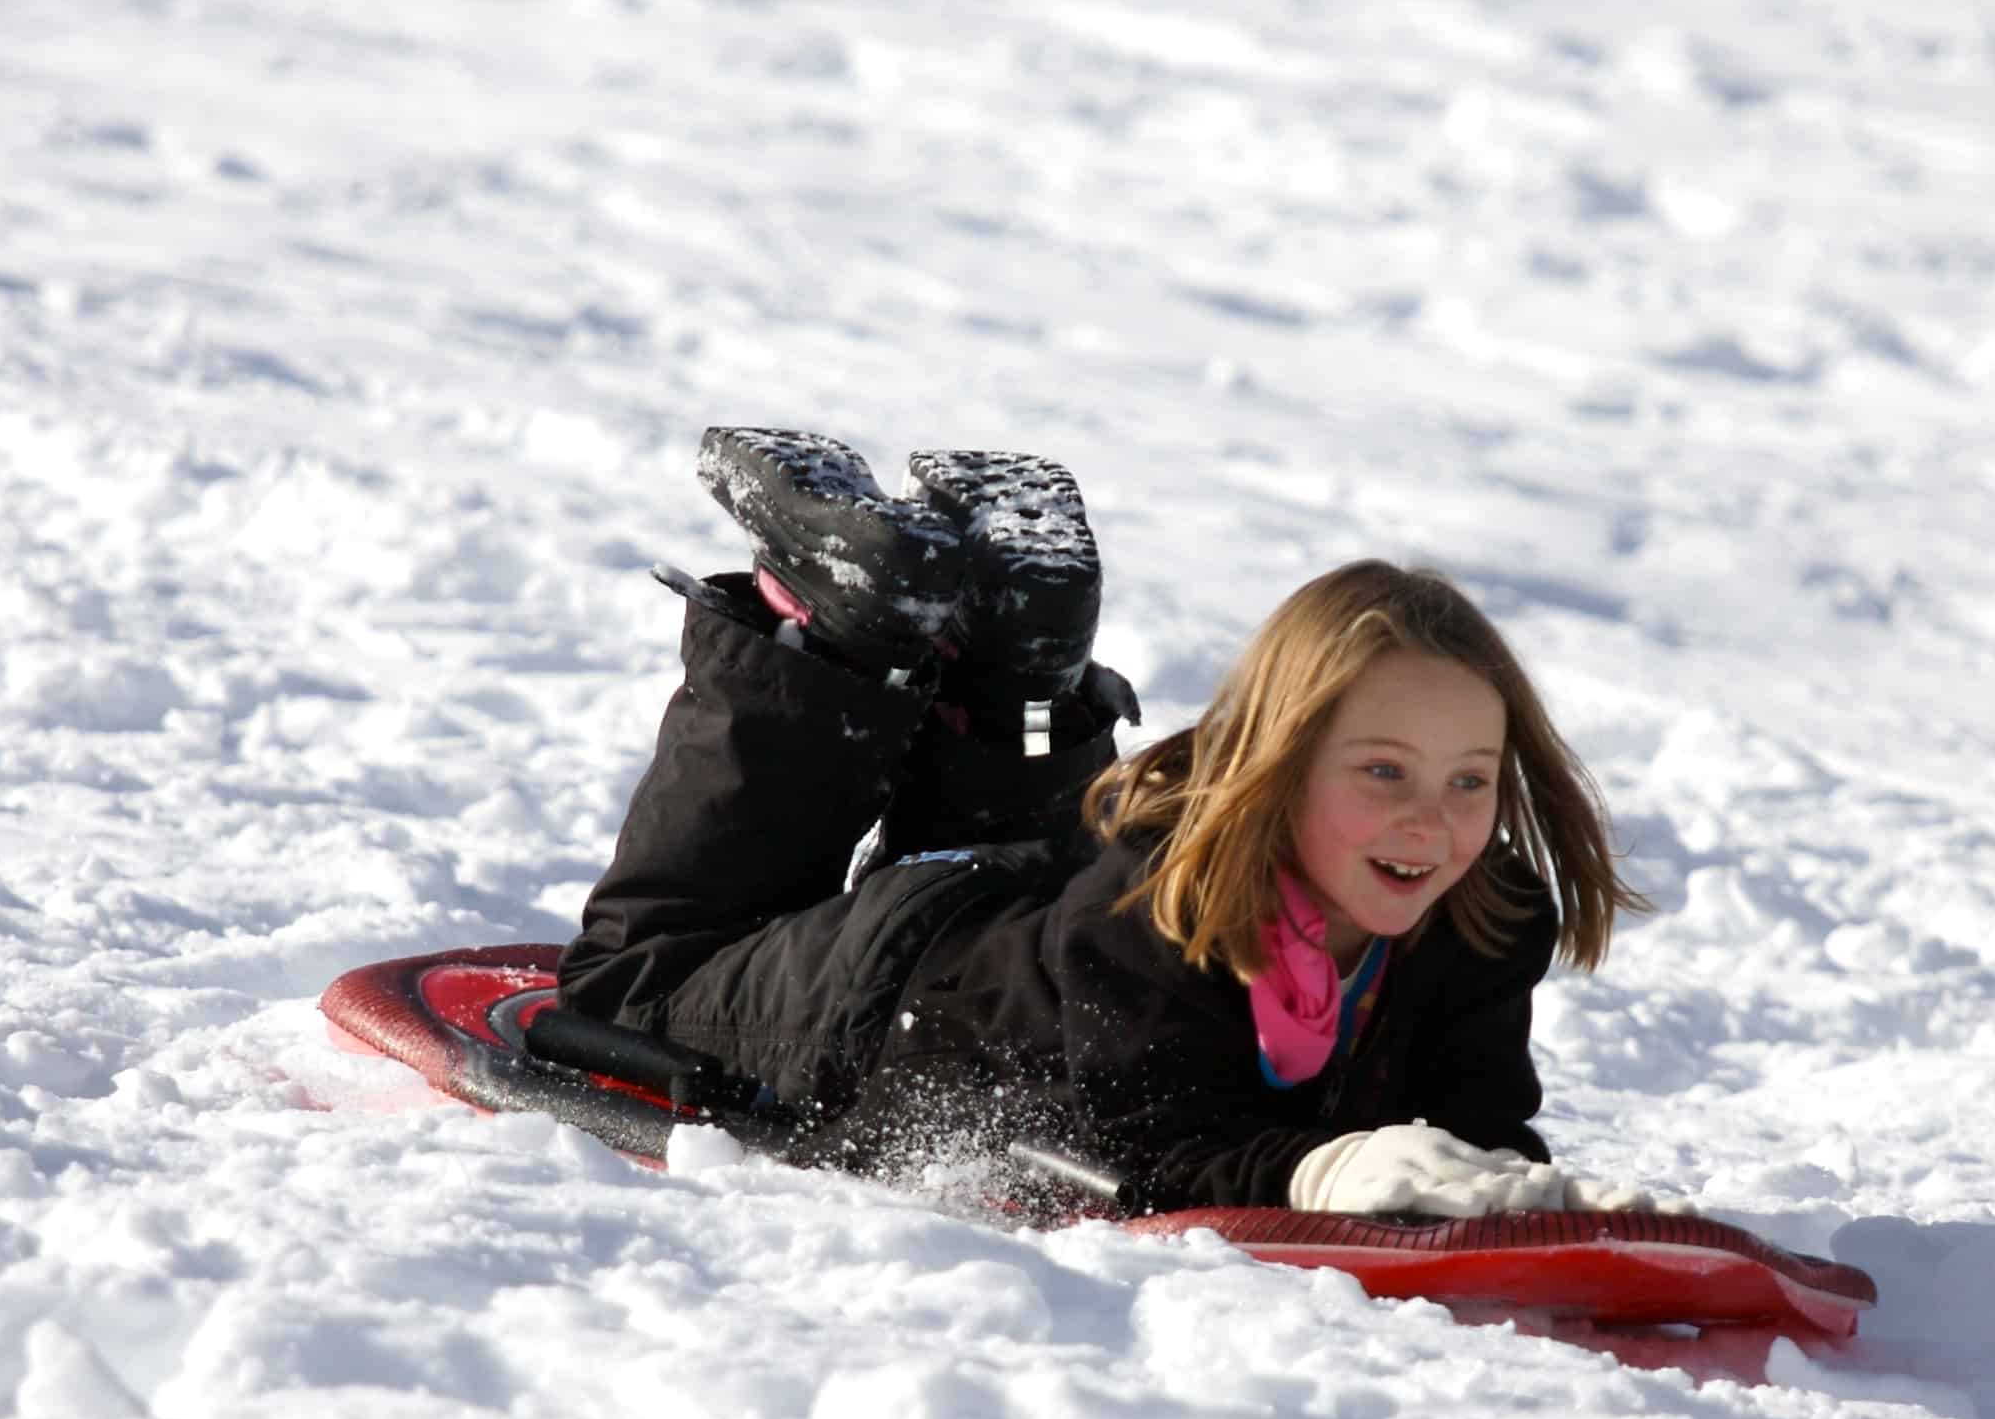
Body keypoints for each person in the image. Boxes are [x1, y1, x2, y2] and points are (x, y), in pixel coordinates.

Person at [559, 426, 1665, 1217]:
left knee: (1069, 880)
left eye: (1470, 779)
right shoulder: (1165, 912)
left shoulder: (1480, 912)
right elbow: (1134, 1150)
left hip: (1035, 896)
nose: (1431, 820)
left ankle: (1020, 644)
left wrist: (1539, 1197)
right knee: (635, 987)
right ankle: (833, 628)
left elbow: (1467, 1128)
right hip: (874, 997)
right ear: (1274, 765)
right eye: (1382, 770)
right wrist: (1319, 1173)